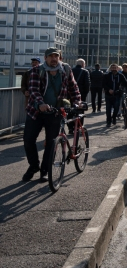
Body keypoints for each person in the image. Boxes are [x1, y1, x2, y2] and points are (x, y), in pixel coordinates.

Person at [22, 47, 81, 182]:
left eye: (56, 56)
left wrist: (77, 101)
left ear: (60, 57)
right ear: (45, 58)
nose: (54, 59)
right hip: (36, 111)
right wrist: (40, 104)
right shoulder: (36, 71)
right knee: (28, 140)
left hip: (55, 112)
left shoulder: (65, 70)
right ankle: (34, 166)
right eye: (51, 56)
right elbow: (34, 90)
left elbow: (73, 87)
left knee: (51, 142)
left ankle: (44, 171)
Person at [103, 63, 127, 127]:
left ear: (117, 68)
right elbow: (103, 84)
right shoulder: (106, 75)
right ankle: (108, 122)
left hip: (117, 94)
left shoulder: (120, 76)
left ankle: (114, 117)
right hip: (108, 94)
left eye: (115, 68)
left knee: (116, 108)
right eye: (112, 68)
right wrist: (108, 89)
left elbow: (126, 83)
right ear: (110, 68)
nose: (114, 69)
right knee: (108, 109)